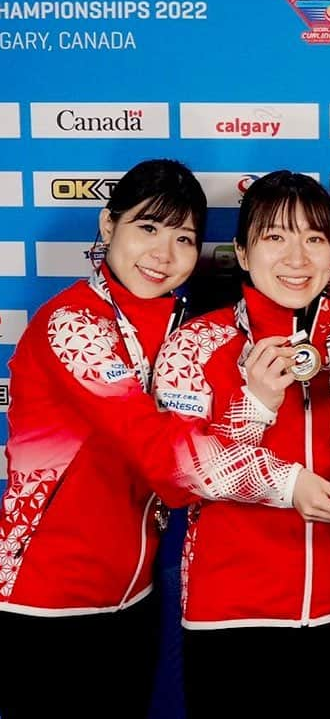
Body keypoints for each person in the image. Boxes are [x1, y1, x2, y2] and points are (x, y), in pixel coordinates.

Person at [144, 170, 330, 718]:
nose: (298, 256)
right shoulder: (197, 342)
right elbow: (179, 474)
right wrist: (258, 403)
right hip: (231, 614)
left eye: (314, 238)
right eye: (276, 237)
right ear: (242, 253)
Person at [0, 158, 207, 718]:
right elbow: (158, 455)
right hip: (48, 598)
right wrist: (278, 476)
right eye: (147, 227)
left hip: (132, 594)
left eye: (184, 237)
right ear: (106, 225)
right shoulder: (73, 321)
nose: (164, 254)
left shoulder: (180, 326)